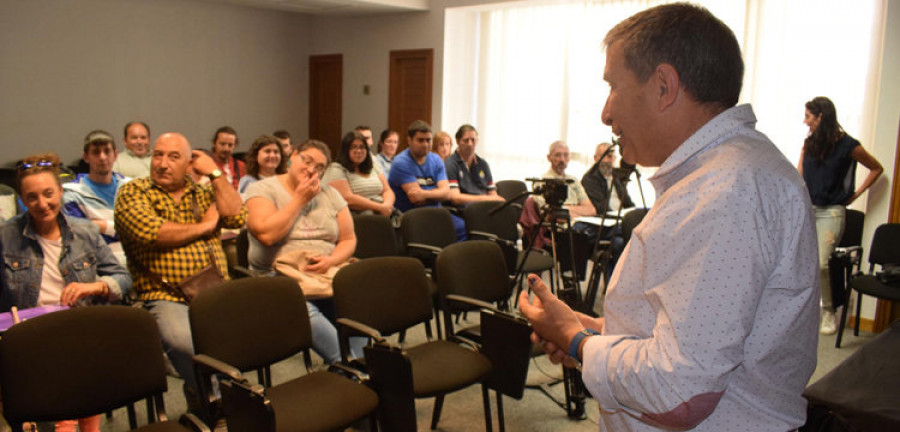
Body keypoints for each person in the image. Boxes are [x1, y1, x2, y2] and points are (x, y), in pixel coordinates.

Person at [518, 4, 819, 430]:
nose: (606, 113)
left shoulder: (722, 192)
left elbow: (680, 394)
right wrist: (599, 331)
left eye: (613, 87)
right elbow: (694, 331)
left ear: (663, 86)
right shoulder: (729, 173)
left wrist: (578, 340)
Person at [1, 153, 131, 432]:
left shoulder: (84, 232)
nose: (42, 204)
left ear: (61, 191)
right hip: (30, 337)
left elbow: (122, 278)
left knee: (83, 370)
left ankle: (78, 421)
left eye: (49, 194)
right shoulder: (6, 236)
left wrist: (94, 286)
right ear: (22, 199)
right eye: (32, 197)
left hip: (79, 330)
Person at [115, 132, 247, 406]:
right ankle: (219, 405)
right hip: (164, 294)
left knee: (240, 340)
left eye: (173, 157)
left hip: (212, 291)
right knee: (185, 344)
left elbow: (236, 216)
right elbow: (153, 232)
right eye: (158, 155)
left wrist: (215, 174)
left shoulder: (204, 191)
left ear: (190, 164)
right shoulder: (134, 191)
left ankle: (207, 398)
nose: (162, 163)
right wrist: (206, 226)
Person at [244, 139, 363, 363]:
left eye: (319, 167)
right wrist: (299, 199)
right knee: (306, 313)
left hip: (324, 274)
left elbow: (348, 238)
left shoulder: (330, 194)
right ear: (293, 155)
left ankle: (360, 364)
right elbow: (268, 236)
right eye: (306, 160)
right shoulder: (261, 189)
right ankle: (350, 368)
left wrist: (331, 260)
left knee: (359, 303)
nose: (311, 170)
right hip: (279, 280)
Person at [798, 96, 883, 335]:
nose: (805, 122)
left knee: (823, 263)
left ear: (821, 117)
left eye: (808, 117)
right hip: (809, 209)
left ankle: (828, 312)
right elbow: (799, 174)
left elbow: (876, 168)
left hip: (831, 213)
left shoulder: (848, 145)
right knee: (802, 263)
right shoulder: (810, 144)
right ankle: (806, 312)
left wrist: (855, 195)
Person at [388, 120, 465, 240]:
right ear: (409, 141)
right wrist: (437, 193)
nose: (425, 144)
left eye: (428, 140)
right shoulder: (401, 162)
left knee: (462, 227)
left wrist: (425, 194)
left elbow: (446, 193)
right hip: (412, 216)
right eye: (420, 140)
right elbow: (416, 199)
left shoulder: (436, 160)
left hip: (437, 212)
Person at [62, 130, 130, 264]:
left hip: (136, 261)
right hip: (98, 264)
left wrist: (103, 226)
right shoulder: (72, 194)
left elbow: (142, 232)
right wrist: (120, 230)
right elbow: (83, 237)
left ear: (115, 155)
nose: (102, 157)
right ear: (86, 157)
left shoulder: (131, 188)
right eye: (96, 152)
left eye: (107, 151)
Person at [323, 131, 395, 216]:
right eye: (354, 147)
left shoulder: (373, 166)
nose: (359, 151)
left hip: (383, 211)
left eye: (362, 147)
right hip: (358, 216)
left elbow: (387, 190)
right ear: (346, 150)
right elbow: (348, 199)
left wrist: (387, 205)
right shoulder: (336, 169)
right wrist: (379, 207)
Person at [532, 140, 596, 217]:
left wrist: (565, 209)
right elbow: (552, 215)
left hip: (579, 223)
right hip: (559, 227)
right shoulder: (541, 182)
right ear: (549, 158)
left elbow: (591, 210)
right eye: (558, 155)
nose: (562, 160)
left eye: (566, 155)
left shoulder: (573, 181)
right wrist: (579, 211)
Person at [445, 124, 504, 207]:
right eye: (466, 140)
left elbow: (492, 193)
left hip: (484, 209)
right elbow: (455, 198)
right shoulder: (450, 164)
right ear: (458, 141)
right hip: (463, 211)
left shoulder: (483, 164)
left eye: (473, 140)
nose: (470, 144)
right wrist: (485, 198)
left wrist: (494, 199)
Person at [582, 142, 635, 215]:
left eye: (610, 156)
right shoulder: (589, 179)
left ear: (615, 158)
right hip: (607, 220)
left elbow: (627, 202)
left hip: (622, 217)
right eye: (603, 156)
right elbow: (601, 208)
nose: (606, 160)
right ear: (595, 158)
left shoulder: (617, 176)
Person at [210, 126, 246, 190]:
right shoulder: (207, 164)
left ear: (235, 145)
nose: (226, 149)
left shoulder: (241, 166)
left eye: (230, 145)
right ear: (214, 143)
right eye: (222, 144)